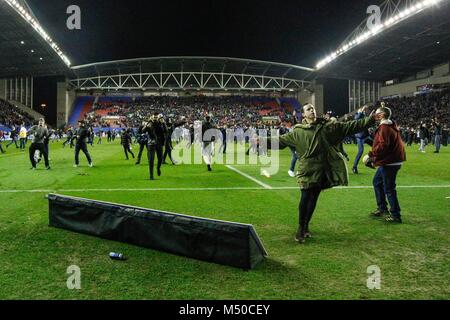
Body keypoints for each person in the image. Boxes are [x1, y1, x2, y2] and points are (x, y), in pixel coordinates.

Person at [265, 103, 376, 243]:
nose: (312, 110)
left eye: (313, 108)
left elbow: (350, 126)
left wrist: (370, 120)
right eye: (308, 109)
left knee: (313, 198)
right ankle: (300, 227)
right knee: (305, 197)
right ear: (303, 114)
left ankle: (306, 226)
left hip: (322, 170)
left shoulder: (327, 127)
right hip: (307, 170)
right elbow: (280, 141)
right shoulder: (298, 132)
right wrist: (261, 142)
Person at [366, 104, 406, 223]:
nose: (375, 115)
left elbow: (383, 145)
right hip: (391, 160)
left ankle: (395, 215)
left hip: (390, 162)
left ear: (382, 115)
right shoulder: (389, 125)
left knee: (389, 188)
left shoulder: (384, 127)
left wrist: (370, 155)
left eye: (377, 113)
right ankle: (382, 208)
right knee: (377, 182)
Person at [352, 105, 370, 174]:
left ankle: (371, 161)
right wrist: (360, 111)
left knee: (376, 145)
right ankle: (354, 167)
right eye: (362, 110)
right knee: (360, 151)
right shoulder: (357, 115)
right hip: (360, 137)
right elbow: (356, 119)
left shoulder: (364, 115)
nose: (364, 110)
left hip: (365, 136)